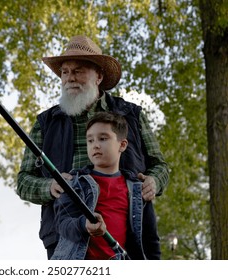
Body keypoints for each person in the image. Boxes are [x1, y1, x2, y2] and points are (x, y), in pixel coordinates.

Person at [17, 35, 169, 259]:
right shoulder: (45, 123)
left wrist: (154, 181)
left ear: (98, 76)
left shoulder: (131, 116)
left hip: (131, 234)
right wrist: (51, 187)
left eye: (78, 71)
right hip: (65, 238)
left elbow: (160, 166)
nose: (70, 78)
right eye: (65, 72)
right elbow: (23, 182)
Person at [51, 111, 160, 260]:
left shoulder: (137, 189)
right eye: (90, 141)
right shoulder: (74, 183)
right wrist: (84, 224)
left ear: (122, 145)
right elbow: (62, 224)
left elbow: (150, 240)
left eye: (102, 139)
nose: (95, 145)